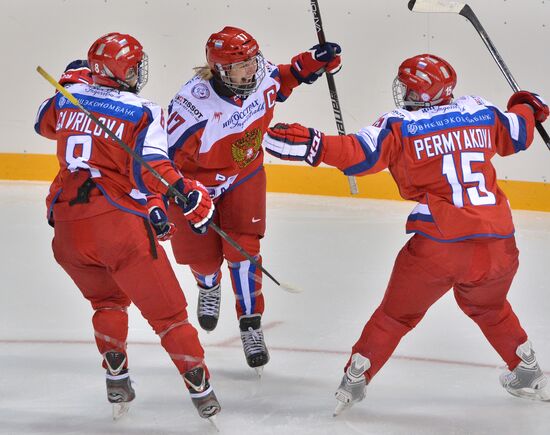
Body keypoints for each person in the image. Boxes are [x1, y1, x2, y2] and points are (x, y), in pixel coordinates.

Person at [264, 53, 550, 412]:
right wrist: (526, 105)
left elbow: (359, 155)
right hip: (499, 244)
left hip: (438, 246)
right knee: (490, 307)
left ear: (418, 92)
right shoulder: (481, 109)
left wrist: (314, 145)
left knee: (395, 316)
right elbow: (520, 134)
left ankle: (356, 378)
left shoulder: (399, 124)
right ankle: (528, 368)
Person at [34, 33, 221, 422]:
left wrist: (71, 86)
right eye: (134, 66)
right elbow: (151, 166)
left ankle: (116, 375)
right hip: (117, 229)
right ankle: (200, 389)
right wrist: (185, 192)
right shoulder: (141, 110)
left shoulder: (66, 97)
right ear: (121, 71)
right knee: (169, 318)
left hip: (68, 232)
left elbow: (42, 123)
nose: (139, 72)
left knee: (106, 303)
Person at [166, 26, 342, 374]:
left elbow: (286, 77)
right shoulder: (192, 108)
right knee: (200, 259)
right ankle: (208, 284)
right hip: (195, 189)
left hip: (244, 177)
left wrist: (316, 62)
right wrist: (171, 197)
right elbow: (160, 158)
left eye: (252, 60)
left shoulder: (260, 78)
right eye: (241, 65)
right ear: (219, 70)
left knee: (244, 250)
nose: (251, 69)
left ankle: (250, 324)